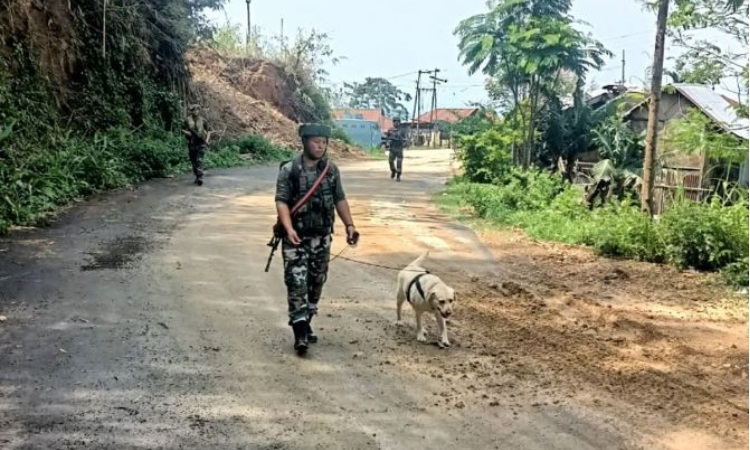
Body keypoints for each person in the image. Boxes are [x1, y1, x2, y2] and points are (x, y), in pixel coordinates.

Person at [274, 123, 358, 354]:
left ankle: (306, 320)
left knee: (316, 283)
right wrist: (288, 228)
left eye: (324, 142)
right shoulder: (289, 170)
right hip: (296, 239)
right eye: (316, 142)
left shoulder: (331, 171)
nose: (320, 147)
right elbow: (281, 201)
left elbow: (340, 199)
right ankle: (299, 332)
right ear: (305, 142)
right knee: (296, 283)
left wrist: (350, 225)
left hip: (322, 238)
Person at [182, 104, 211, 186]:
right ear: (191, 111)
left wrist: (207, 140)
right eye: (194, 110)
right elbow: (182, 129)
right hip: (192, 143)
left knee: (199, 160)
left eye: (197, 110)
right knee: (193, 161)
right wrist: (188, 133)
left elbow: (209, 130)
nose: (195, 111)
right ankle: (197, 175)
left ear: (199, 110)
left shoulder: (203, 120)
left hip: (201, 143)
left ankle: (200, 177)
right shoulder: (187, 120)